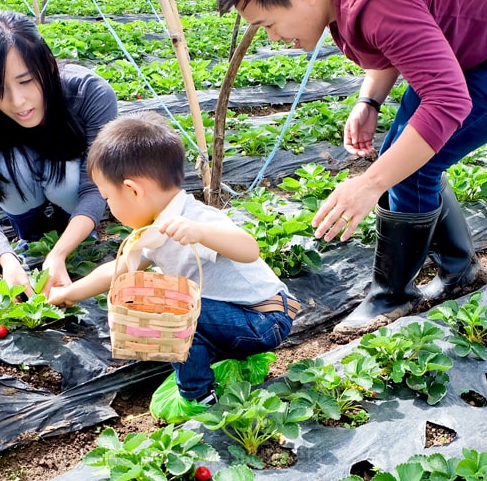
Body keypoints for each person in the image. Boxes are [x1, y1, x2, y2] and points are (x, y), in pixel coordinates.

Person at [215, 0, 487, 336]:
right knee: (407, 157)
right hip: (473, 44)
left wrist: (370, 183)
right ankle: (460, 271)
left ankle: (394, 295)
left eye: (268, 24)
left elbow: (445, 98)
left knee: (412, 165)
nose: (272, 38)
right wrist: (369, 101)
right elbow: (396, 38)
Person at [48, 111, 299, 412]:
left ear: (133, 190)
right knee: (175, 309)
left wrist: (201, 233)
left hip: (264, 318)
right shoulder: (153, 229)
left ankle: (198, 396)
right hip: (236, 315)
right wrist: (68, 293)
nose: (109, 209)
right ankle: (229, 361)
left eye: (108, 199)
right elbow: (117, 272)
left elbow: (249, 249)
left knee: (171, 315)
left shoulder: (194, 218)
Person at [0, 10, 118, 298]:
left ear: (47, 65)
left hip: (71, 187)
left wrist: (59, 253)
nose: (18, 101)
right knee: (6, 167)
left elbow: (95, 186)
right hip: (21, 189)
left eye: (26, 81)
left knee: (67, 177)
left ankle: (75, 233)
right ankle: (29, 234)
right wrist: (4, 258)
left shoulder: (89, 93)